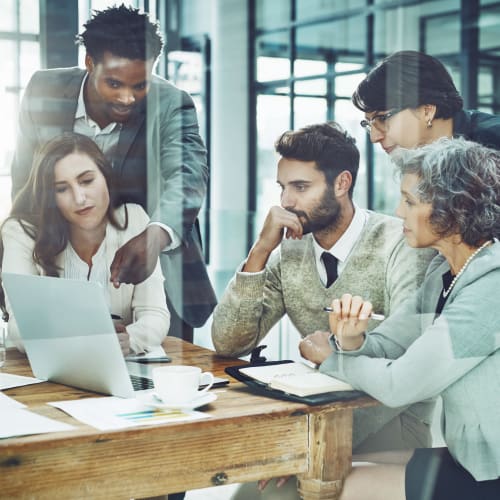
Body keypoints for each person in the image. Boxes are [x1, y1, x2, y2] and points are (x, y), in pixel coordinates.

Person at [211, 122, 436, 499]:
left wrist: (305, 446)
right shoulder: (291, 251)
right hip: (317, 413)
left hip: (391, 418)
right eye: (282, 187)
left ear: (342, 183)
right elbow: (229, 340)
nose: (286, 202)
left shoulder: (401, 244)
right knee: (247, 493)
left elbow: (403, 360)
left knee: (275, 493)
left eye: (301, 187)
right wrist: (260, 252)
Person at [300, 137, 500, 500]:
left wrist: (331, 359)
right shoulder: (445, 270)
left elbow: (400, 384)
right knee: (332, 464)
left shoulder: (492, 289)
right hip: (469, 458)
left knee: (342, 486)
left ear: (453, 208)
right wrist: (350, 340)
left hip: (490, 474)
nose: (397, 212)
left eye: (410, 201)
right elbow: (389, 343)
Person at [10, 4, 216, 343]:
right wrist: (17, 262)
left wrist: (156, 235)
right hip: (65, 270)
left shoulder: (171, 103)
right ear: (89, 62)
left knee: (162, 388)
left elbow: (188, 174)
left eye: (140, 85)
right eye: (115, 83)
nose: (128, 98)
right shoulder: (44, 90)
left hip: (153, 281)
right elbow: (26, 183)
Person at [2, 132, 170, 356]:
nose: (79, 198)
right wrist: (81, 343)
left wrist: (129, 341)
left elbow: (155, 315)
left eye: (87, 181)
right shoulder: (22, 231)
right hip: (43, 372)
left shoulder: (135, 219)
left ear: (105, 176)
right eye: (62, 189)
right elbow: (20, 326)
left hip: (119, 370)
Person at [352, 50, 500, 154]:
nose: (374, 138)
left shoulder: (492, 145)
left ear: (427, 111)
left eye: (382, 119)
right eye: (370, 124)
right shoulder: (422, 154)